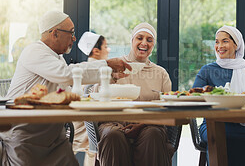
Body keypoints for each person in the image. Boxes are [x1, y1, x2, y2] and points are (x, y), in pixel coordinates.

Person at [1, 11, 131, 166]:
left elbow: (66, 91)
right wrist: (107, 65)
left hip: (54, 135)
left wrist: (111, 75)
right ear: (55, 33)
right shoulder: (34, 51)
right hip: (26, 133)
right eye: (71, 33)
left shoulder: (57, 57)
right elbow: (67, 75)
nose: (74, 38)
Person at [97, 22, 174, 166]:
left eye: (149, 40)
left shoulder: (161, 73)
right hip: (113, 123)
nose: (144, 43)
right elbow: (97, 96)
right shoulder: (114, 66)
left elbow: (167, 108)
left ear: (154, 45)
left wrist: (143, 123)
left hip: (150, 124)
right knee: (112, 135)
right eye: (140, 38)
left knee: (153, 134)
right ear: (132, 40)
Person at [192, 25, 245, 166]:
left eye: (225, 41)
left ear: (237, 45)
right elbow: (194, 97)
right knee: (218, 137)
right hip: (213, 123)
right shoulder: (207, 70)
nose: (219, 46)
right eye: (217, 42)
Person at [73, 31, 110, 166]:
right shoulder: (99, 73)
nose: (108, 49)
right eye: (105, 46)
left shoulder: (85, 68)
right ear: (96, 51)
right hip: (87, 130)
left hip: (77, 128)